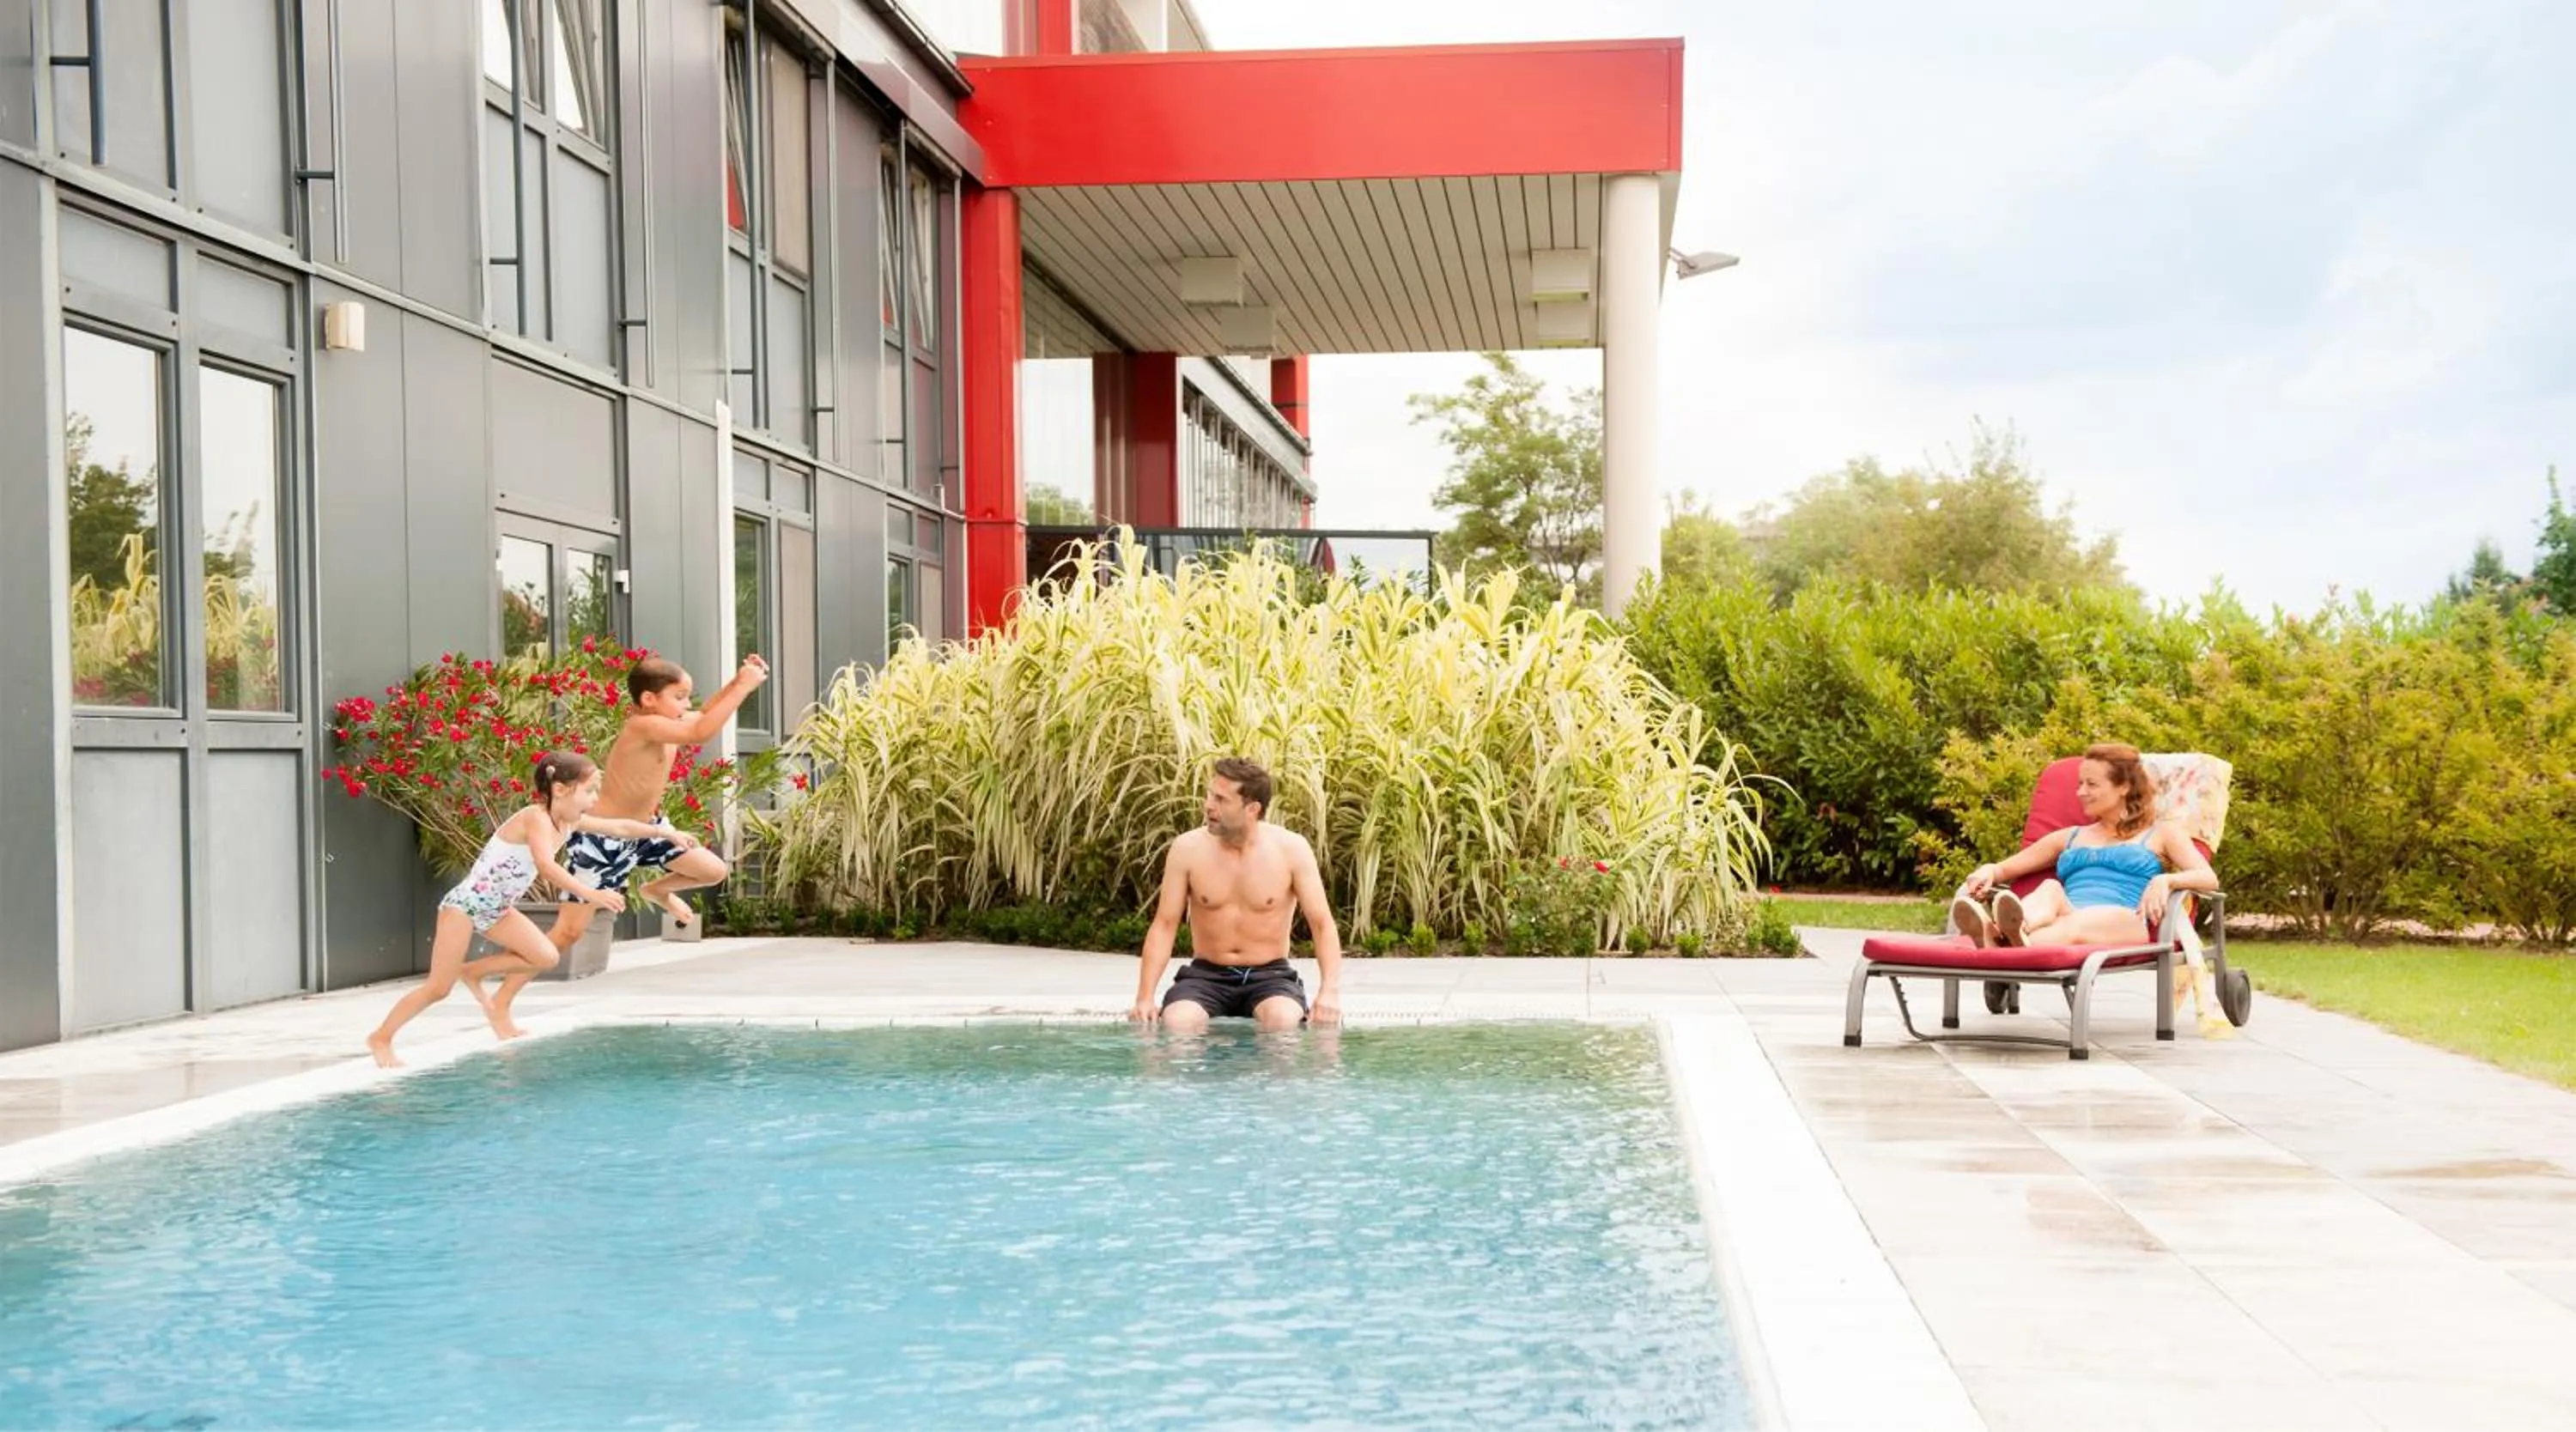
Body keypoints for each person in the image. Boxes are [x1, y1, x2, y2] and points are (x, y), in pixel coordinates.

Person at [474, 653, 768, 1036]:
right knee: (568, 934)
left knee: (712, 870)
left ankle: (655, 890)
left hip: (647, 830)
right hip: (604, 840)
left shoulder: (669, 721)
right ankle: (502, 1003)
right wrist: (744, 686)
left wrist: (738, 681)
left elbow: (707, 714)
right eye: (680, 697)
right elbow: (702, 732)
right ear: (649, 700)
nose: (689, 706)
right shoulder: (642, 727)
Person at [366, 751, 690, 1066]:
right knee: (438, 989)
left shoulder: (570, 821)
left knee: (546, 956)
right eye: (589, 790)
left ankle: (473, 971)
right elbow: (546, 866)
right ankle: (381, 1037)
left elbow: (618, 828)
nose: (594, 798)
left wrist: (664, 832)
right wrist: (591, 894)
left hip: (499, 908)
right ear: (560, 790)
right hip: (464, 906)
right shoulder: (535, 818)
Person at [1127, 757, 1345, 1032]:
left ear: (1252, 808)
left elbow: (1322, 924)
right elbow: (1165, 924)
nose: (1208, 805)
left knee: (1283, 1022)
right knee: (1177, 1023)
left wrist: (1329, 991)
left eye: (1221, 799)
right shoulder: (1187, 849)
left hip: (1271, 976)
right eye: (1209, 795)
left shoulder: (1291, 849)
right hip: (1206, 975)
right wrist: (1144, 997)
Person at [1954, 742, 2219, 949]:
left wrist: (2166, 882)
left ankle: (1996, 940)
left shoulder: (2162, 833)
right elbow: (2002, 870)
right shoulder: (2069, 837)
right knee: (2050, 888)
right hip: (2066, 914)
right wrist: (1987, 871)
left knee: (2076, 925)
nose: (2080, 792)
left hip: (2124, 918)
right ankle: (2014, 931)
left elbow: (2208, 878)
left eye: (2091, 784)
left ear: (2124, 787)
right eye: (2080, 783)